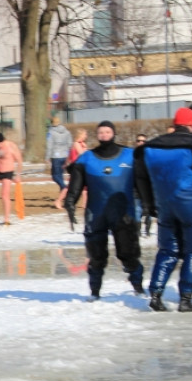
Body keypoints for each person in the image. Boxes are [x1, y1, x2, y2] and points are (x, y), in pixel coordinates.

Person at [134, 107, 192, 312]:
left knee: (168, 250)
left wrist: (149, 204)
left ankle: (156, 294)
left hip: (165, 205)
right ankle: (185, 299)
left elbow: (140, 178)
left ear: (175, 123)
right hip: (191, 204)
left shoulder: (150, 147)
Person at [64, 121, 144, 300]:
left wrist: (148, 205)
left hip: (124, 214)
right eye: (101, 132)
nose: (104, 135)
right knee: (96, 257)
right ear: (97, 135)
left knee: (128, 254)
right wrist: (70, 202)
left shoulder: (130, 156)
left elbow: (143, 182)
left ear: (114, 133)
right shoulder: (86, 159)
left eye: (107, 131)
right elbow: (75, 186)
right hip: (96, 214)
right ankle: (94, 292)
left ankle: (138, 287)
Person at [46, 117, 73, 210]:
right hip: (64, 155)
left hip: (55, 156)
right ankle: (64, 197)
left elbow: (50, 146)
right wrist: (69, 155)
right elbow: (70, 144)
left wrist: (47, 157)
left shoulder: (51, 132)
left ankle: (65, 188)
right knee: (60, 176)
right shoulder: (67, 132)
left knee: (55, 176)